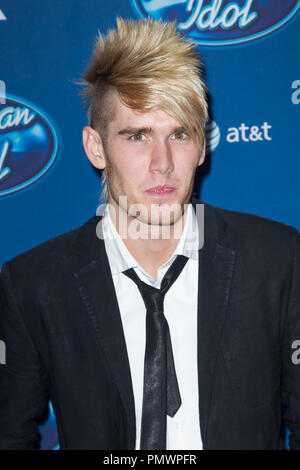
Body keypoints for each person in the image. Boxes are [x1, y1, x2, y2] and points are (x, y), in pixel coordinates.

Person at [0, 17, 300, 451]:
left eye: (179, 133)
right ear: (96, 147)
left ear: (201, 145)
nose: (162, 162)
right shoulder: (33, 285)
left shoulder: (278, 261)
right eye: (138, 135)